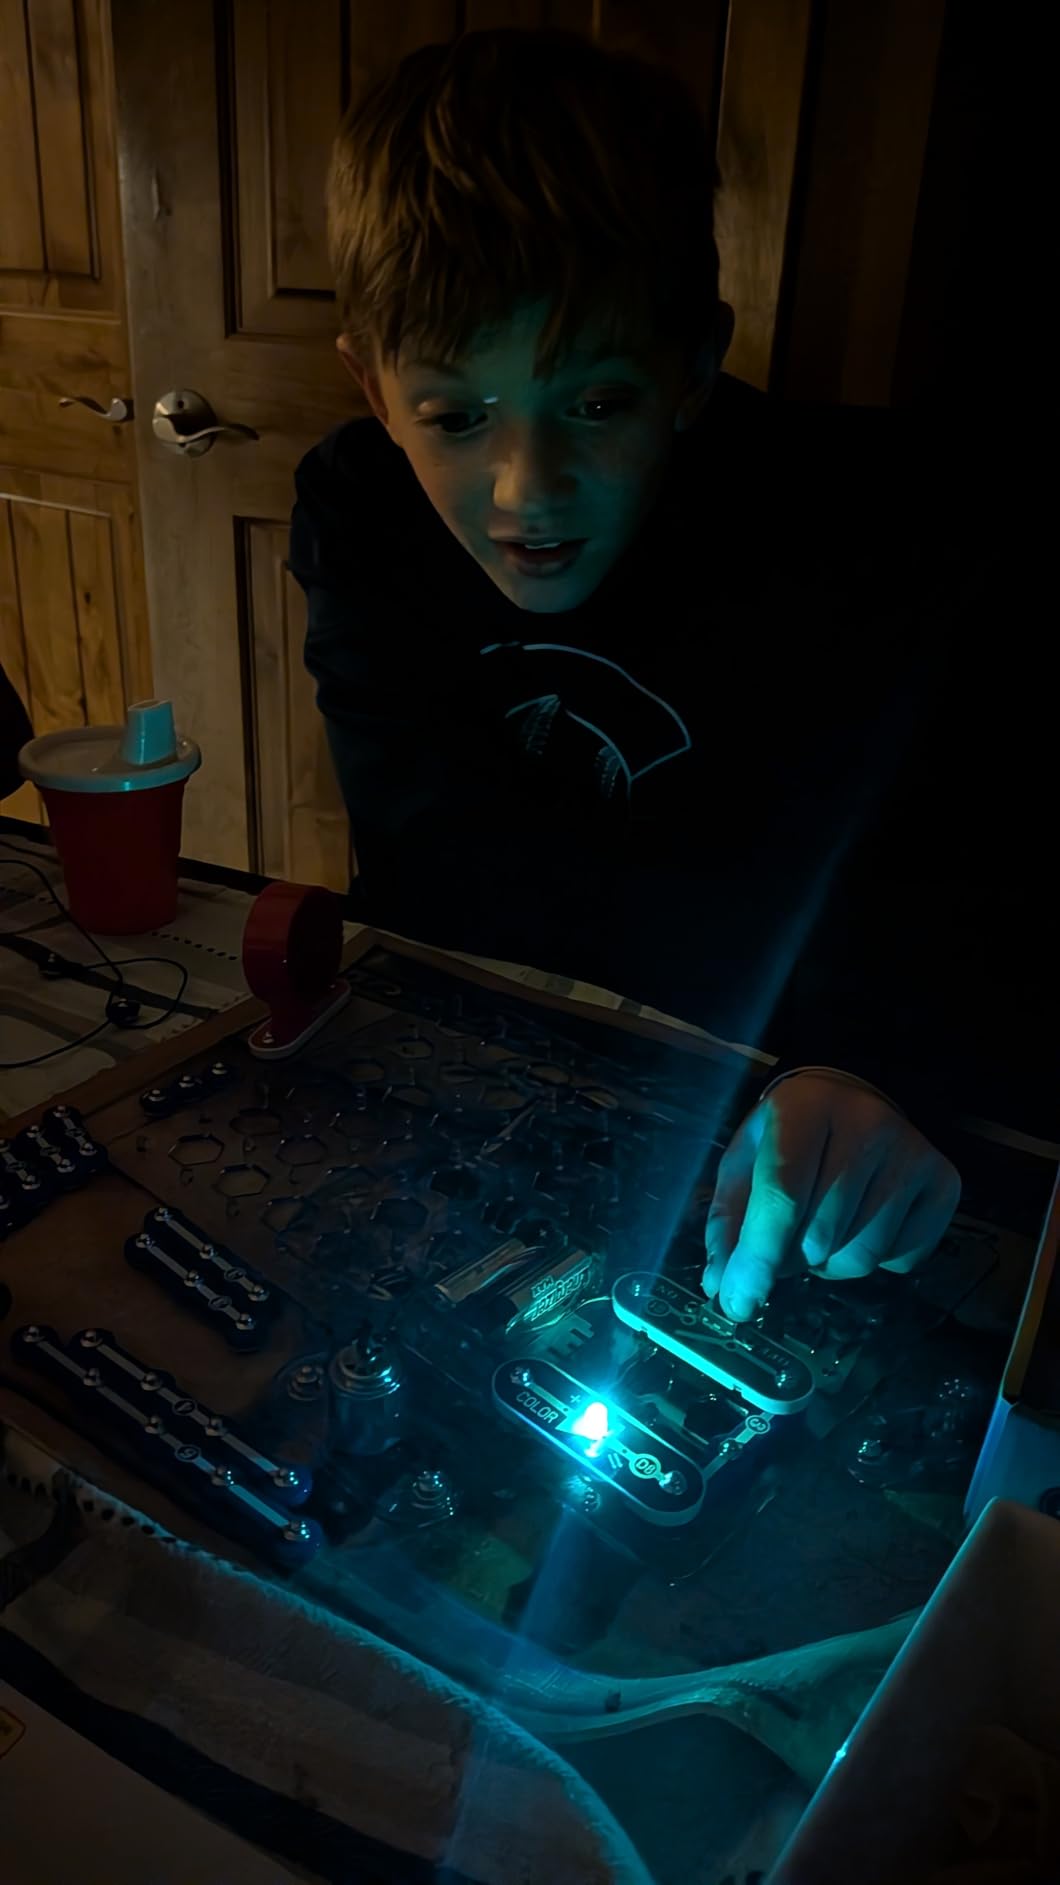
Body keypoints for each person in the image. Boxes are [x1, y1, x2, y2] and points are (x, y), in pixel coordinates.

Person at [290, 29, 1047, 1326]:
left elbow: (951, 906)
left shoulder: (869, 543)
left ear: (695, 367)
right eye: (457, 415)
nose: (528, 494)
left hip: (774, 1174)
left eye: (595, 404)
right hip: (502, 1120)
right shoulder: (358, 514)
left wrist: (868, 1068)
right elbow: (439, 882)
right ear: (369, 382)